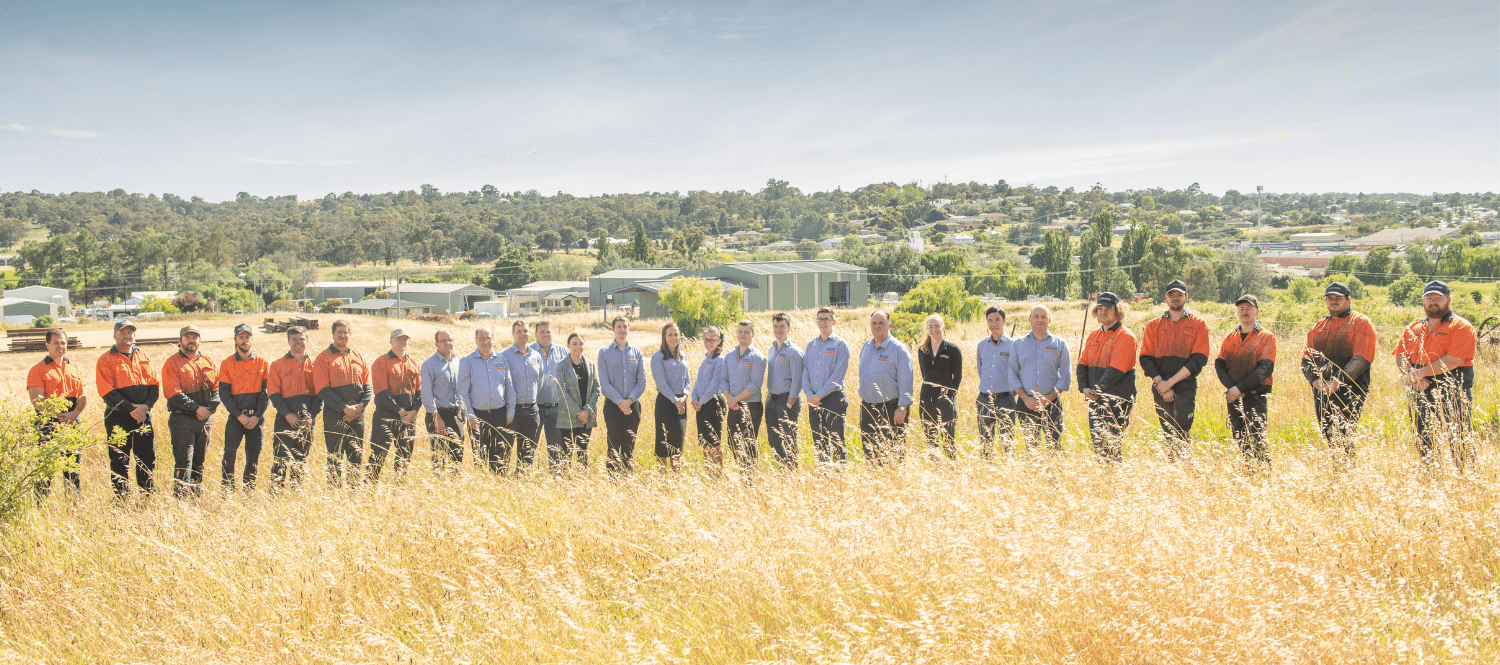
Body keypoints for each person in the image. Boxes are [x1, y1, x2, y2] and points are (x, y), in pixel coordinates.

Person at [1393, 280, 1477, 469]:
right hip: (1418, 388)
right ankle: (1429, 475)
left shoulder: (1461, 326)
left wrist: (1419, 374)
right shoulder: (1414, 327)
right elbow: (1400, 354)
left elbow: (1454, 359)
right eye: (1429, 298)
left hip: (1452, 390)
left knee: (1459, 436)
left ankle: (1466, 478)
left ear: (1448, 300)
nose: (1433, 302)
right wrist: (1410, 377)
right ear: (1423, 301)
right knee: (1423, 435)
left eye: (1438, 298)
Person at [1301, 282, 1378, 457]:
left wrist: (1337, 382)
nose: (1333, 302)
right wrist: (1315, 381)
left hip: (1351, 388)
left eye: (1338, 298)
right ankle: (1339, 468)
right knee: (1327, 431)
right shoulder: (1318, 326)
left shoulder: (1361, 322)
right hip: (1321, 389)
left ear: (1349, 300)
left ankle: (1349, 470)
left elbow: (1362, 358)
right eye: (1330, 298)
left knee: (1344, 432)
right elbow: (1306, 359)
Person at [1138, 279, 1210, 458]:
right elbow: (1145, 358)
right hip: (1160, 387)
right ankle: (1173, 467)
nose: (1175, 298)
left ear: (1186, 296)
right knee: (1168, 430)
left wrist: (1170, 383)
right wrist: (1161, 383)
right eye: (1172, 295)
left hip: (1185, 387)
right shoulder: (1154, 325)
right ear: (1166, 298)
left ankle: (1184, 468)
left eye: (1179, 295)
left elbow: (1198, 359)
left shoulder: (1198, 324)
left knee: (1182, 430)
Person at [97, 319, 158, 497]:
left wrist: (145, 407)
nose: (127, 336)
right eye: (122, 332)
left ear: (134, 335)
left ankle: (147, 495)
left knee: (146, 457)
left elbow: (154, 385)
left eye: (130, 332)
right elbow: (106, 391)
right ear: (114, 335)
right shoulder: (106, 359)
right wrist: (132, 409)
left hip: (143, 416)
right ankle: (121, 499)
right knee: (119, 458)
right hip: (117, 417)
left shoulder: (144, 357)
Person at [1214, 294, 1277, 465]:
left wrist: (1239, 388)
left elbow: (1264, 369)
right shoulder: (1230, 337)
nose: (1244, 312)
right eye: (1241, 309)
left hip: (1255, 395)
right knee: (1239, 436)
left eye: (1248, 308)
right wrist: (1231, 388)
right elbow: (1219, 364)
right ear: (1237, 312)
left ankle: (1264, 473)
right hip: (1233, 395)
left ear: (1257, 311)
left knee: (1256, 437)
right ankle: (1248, 471)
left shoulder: (1266, 337)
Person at [1076, 293, 1138, 462]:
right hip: (1096, 398)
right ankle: (1105, 480)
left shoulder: (1125, 336)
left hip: (1118, 398)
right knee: (1098, 443)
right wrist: (1084, 388)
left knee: (1112, 443)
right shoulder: (1094, 335)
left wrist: (1095, 390)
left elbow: (1116, 370)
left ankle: (1116, 480)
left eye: (1108, 309)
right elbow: (1083, 364)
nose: (1103, 313)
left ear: (1118, 311)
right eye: (1099, 309)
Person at [161, 324, 220, 497]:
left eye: (195, 337)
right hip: (182, 420)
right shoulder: (172, 363)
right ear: (180, 341)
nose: (191, 341)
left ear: (200, 340)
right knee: (184, 462)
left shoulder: (208, 361)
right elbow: (173, 394)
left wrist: (210, 410)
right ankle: (181, 500)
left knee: (199, 461)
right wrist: (196, 408)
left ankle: (196, 497)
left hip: (205, 419)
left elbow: (217, 388)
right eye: (187, 338)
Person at [26, 328, 86, 494]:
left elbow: (82, 397)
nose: (60, 346)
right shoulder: (38, 369)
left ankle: (73, 502)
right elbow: (37, 401)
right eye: (56, 343)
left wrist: (73, 414)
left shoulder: (74, 368)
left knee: (72, 464)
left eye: (63, 343)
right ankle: (42, 504)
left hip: (72, 421)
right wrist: (58, 416)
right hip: (47, 422)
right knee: (46, 466)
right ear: (47, 345)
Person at [313, 319, 372, 486]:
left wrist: (359, 408)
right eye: (339, 332)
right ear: (333, 334)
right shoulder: (323, 358)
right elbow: (322, 389)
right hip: (335, 416)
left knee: (356, 454)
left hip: (357, 417)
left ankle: (354, 490)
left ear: (350, 334)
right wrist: (345, 408)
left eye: (346, 332)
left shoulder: (358, 357)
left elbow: (368, 388)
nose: (342, 335)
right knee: (335, 455)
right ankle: (334, 494)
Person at [1008, 305, 1070, 450]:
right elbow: (1012, 373)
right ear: (1030, 319)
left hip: (1052, 403)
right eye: (1036, 317)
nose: (1040, 320)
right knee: (1031, 447)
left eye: (1043, 317)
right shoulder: (1018, 344)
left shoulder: (1059, 344)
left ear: (1049, 320)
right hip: (1026, 403)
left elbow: (1066, 375)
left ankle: (1054, 472)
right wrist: (1025, 398)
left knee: (1054, 446)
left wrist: (1048, 399)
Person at [857, 311, 914, 465]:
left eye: (881, 323)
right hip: (868, 408)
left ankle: (893, 483)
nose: (877, 326)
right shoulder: (866, 347)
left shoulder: (899, 349)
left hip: (891, 409)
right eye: (874, 323)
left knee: (893, 453)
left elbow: (906, 379)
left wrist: (902, 407)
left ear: (889, 325)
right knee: (870, 452)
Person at [267, 325, 320, 489]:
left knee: (301, 458)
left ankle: (296, 493)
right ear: (288, 341)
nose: (298, 343)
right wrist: (287, 415)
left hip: (307, 420)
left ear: (307, 340)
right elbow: (274, 394)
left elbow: (320, 394)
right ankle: (275, 493)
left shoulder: (315, 364)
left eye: (301, 339)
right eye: (294, 340)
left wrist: (310, 416)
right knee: (281, 457)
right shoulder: (277, 365)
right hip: (285, 419)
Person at [218, 323, 269, 490]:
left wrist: (256, 416)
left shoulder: (262, 363)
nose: (244, 340)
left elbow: (266, 393)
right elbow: (224, 394)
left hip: (256, 419)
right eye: (241, 337)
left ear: (251, 339)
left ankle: (249, 490)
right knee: (229, 455)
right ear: (235, 340)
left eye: (247, 337)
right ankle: (228, 490)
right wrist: (240, 416)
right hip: (236, 418)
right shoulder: (227, 364)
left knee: (253, 457)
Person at [368, 328, 422, 482]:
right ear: (391, 341)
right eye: (398, 339)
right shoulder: (381, 362)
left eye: (405, 339)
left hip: (409, 418)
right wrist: (399, 411)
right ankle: (369, 488)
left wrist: (413, 412)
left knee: (405, 455)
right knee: (378, 454)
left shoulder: (413, 363)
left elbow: (419, 392)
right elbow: (381, 392)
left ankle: (399, 488)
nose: (402, 342)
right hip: (386, 415)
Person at [458, 327, 513, 474]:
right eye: (481, 339)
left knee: (501, 454)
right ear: (476, 340)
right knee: (480, 456)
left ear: (493, 340)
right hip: (478, 416)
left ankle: (500, 484)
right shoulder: (467, 361)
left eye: (488, 338)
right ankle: (483, 486)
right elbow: (462, 393)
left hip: (500, 415)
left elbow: (509, 386)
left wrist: (511, 411)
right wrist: (470, 415)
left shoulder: (501, 359)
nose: (485, 342)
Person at [598, 317, 647, 473]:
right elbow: (604, 383)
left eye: (625, 326)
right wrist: (620, 402)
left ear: (628, 329)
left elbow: (642, 382)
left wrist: (629, 401)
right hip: (613, 407)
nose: (622, 330)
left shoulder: (637, 352)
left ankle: (627, 478)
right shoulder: (604, 352)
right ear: (613, 329)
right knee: (613, 444)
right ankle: (613, 482)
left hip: (633, 407)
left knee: (629, 446)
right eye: (618, 326)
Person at [802, 308, 850, 465]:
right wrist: (810, 395)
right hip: (813, 400)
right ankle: (824, 477)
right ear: (817, 321)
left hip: (833, 399)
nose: (823, 322)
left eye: (827, 319)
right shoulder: (811, 345)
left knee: (837, 442)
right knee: (819, 442)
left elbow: (837, 376)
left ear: (833, 321)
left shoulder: (841, 345)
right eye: (820, 319)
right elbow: (805, 372)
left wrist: (819, 396)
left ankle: (839, 478)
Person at [722, 320, 767, 471]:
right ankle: (742, 471)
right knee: (733, 442)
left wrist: (735, 400)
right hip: (733, 406)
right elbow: (723, 380)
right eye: (740, 332)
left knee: (748, 444)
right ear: (737, 333)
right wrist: (729, 399)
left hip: (751, 407)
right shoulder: (729, 356)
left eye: (746, 332)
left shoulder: (758, 357)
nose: (743, 335)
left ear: (753, 334)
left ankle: (750, 478)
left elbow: (754, 386)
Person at [916, 314, 962, 459]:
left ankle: (951, 471)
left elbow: (958, 377)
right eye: (931, 327)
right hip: (927, 400)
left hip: (946, 401)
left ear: (943, 327)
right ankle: (936, 470)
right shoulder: (922, 350)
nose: (934, 330)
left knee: (948, 440)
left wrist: (948, 396)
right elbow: (925, 375)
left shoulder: (953, 350)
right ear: (927, 329)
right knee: (931, 440)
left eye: (937, 326)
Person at [500, 319, 544, 472]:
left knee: (527, 451)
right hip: (511, 411)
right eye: (518, 331)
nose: (522, 334)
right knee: (505, 449)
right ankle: (502, 479)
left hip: (531, 411)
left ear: (529, 333)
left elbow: (539, 381)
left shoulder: (536, 356)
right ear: (513, 334)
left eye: (525, 331)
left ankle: (523, 478)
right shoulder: (503, 356)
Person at [421, 329, 465, 472]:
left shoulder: (458, 362)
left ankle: (454, 487)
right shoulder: (429, 364)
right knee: (439, 457)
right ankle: (439, 485)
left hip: (455, 414)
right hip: (438, 414)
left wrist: (463, 411)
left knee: (457, 454)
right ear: (436, 344)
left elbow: (461, 390)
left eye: (450, 340)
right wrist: (436, 417)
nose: (447, 344)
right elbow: (427, 394)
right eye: (443, 341)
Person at [974, 306, 1016, 456]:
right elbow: (981, 370)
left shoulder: (1013, 345)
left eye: (997, 320)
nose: (994, 324)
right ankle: (987, 474)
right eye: (990, 320)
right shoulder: (981, 346)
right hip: (984, 399)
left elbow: (1017, 373)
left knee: (1008, 443)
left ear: (1004, 321)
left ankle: (1007, 474)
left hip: (1006, 400)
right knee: (985, 444)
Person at [764, 313, 804, 468]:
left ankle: (793, 471)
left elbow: (797, 379)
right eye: (775, 326)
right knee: (773, 439)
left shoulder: (794, 352)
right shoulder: (771, 349)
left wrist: (790, 402)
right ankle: (783, 469)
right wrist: (768, 392)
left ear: (789, 328)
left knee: (789, 439)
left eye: (782, 326)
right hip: (772, 400)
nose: (778, 330)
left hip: (787, 400)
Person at [555, 332, 598, 472]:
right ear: (568, 346)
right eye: (574, 344)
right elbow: (562, 391)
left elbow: (596, 389)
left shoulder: (590, 365)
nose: (577, 347)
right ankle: (566, 484)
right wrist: (578, 412)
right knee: (566, 454)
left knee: (583, 453)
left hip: (587, 417)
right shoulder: (561, 366)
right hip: (568, 416)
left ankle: (582, 483)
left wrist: (587, 411)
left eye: (581, 344)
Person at [651, 322, 691, 471]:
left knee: (677, 441)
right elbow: (661, 384)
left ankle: (676, 476)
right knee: (663, 441)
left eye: (676, 334)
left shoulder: (683, 355)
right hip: (666, 403)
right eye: (670, 335)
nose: (674, 337)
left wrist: (684, 397)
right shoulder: (658, 357)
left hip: (682, 402)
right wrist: (675, 401)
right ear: (664, 337)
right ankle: (663, 479)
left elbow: (688, 380)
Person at [530, 320, 569, 470]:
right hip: (535, 408)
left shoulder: (562, 352)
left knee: (556, 447)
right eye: (542, 332)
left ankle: (556, 476)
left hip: (556, 407)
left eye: (548, 332)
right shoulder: (529, 351)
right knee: (529, 444)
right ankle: (526, 475)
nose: (545, 335)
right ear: (535, 334)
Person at [691, 326, 728, 474]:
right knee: (705, 444)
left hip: (713, 403)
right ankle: (709, 473)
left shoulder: (720, 360)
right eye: (706, 339)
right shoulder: (706, 358)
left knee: (714, 443)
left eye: (713, 340)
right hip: (701, 405)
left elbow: (715, 385)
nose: (709, 342)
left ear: (719, 341)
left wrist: (701, 401)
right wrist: (694, 399)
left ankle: (717, 475)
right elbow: (698, 382)